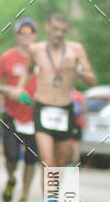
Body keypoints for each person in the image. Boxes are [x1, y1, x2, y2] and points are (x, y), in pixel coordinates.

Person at [15, 11, 96, 171]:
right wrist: (19, 88)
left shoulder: (76, 50)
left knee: (61, 162)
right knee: (47, 160)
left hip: (65, 109)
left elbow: (92, 80)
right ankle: (49, 197)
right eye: (56, 29)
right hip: (43, 107)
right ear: (47, 28)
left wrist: (78, 68)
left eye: (63, 31)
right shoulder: (36, 49)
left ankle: (55, 194)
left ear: (67, 31)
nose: (59, 34)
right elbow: (28, 70)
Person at [0, 17, 39, 202]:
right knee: (11, 156)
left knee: (31, 159)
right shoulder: (7, 57)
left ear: (35, 35)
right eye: (22, 33)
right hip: (11, 114)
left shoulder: (42, 57)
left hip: (36, 116)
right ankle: (11, 178)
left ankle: (25, 197)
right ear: (16, 35)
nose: (26, 37)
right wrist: (9, 91)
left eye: (29, 33)